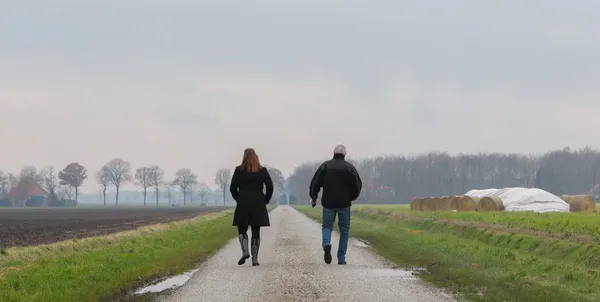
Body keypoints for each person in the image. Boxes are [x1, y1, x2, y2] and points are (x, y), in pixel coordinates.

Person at [309, 144, 362, 265]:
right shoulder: (349, 167)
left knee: (327, 227)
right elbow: (357, 184)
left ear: (333, 153)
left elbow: (316, 182)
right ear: (345, 154)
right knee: (344, 230)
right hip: (344, 203)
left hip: (328, 202)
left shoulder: (325, 166)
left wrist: (314, 196)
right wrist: (352, 197)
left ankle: (327, 244)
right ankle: (341, 258)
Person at [230, 148, 274, 266]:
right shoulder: (262, 170)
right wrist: (265, 199)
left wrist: (238, 198)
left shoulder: (239, 170)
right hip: (258, 202)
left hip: (243, 201)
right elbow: (270, 187)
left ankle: (245, 252)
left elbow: (232, 188)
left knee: (242, 228)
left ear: (244, 157)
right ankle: (255, 258)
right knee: (256, 230)